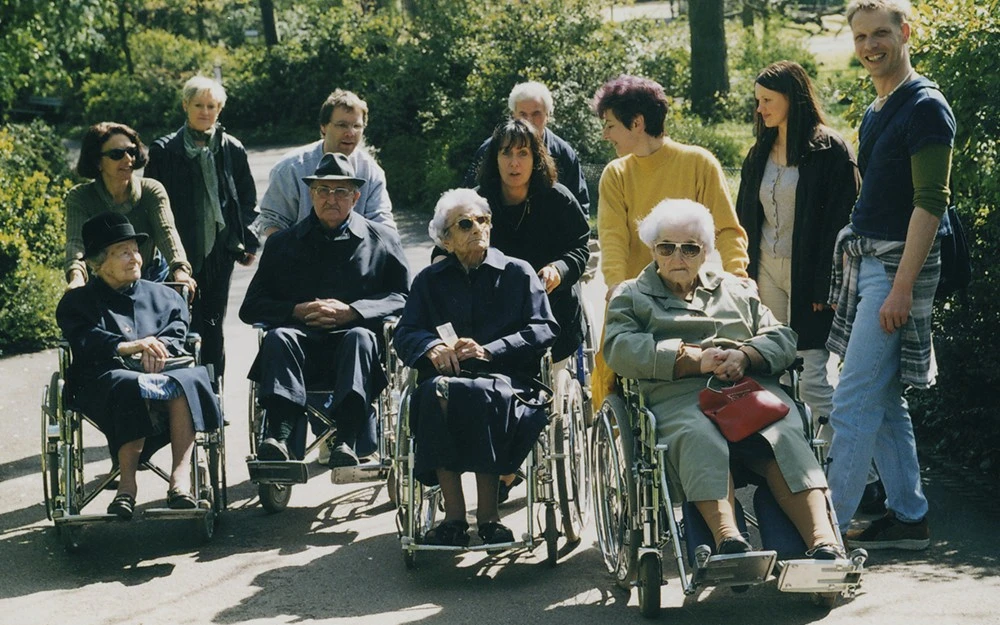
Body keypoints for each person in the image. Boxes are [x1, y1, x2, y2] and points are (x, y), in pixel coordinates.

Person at [603, 199, 842, 559]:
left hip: (750, 391)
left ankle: (824, 543)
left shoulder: (737, 290)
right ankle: (728, 539)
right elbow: (619, 348)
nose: (677, 257)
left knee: (785, 436)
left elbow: (781, 337)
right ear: (652, 249)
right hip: (678, 396)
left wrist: (746, 355)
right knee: (698, 435)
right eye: (666, 248)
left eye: (689, 248)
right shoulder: (631, 295)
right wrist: (690, 359)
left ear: (705, 251)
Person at [826, 0, 955, 550]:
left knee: (853, 400)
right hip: (870, 264)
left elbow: (931, 202)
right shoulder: (879, 106)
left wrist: (900, 288)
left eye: (880, 34)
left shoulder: (925, 107)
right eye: (861, 37)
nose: (870, 46)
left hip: (895, 269)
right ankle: (909, 517)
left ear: (905, 32)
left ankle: (824, 534)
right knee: (880, 400)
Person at [394, 189, 559, 546]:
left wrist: (489, 350)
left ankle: (489, 517)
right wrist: (432, 346)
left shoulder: (518, 272)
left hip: (509, 382)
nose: (477, 229)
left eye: (482, 220)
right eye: (465, 224)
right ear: (446, 240)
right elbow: (405, 332)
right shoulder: (429, 281)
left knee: (483, 392)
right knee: (437, 393)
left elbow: (543, 328)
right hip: (447, 380)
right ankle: (454, 519)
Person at [239, 152, 410, 467]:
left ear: (356, 197)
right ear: (311, 194)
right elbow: (251, 307)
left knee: (359, 337)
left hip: (358, 354)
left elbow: (404, 297)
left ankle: (346, 440)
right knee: (278, 337)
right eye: (323, 190)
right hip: (301, 350)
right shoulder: (282, 244)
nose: (331, 199)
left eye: (341, 191)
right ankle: (278, 438)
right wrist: (296, 310)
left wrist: (354, 311)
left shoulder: (382, 240)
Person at [590, 74, 750, 409]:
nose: (605, 134)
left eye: (610, 125)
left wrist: (738, 275)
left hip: (691, 297)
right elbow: (613, 239)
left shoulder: (699, 163)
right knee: (613, 371)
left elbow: (726, 229)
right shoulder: (616, 174)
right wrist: (617, 287)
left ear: (637, 123)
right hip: (638, 301)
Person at [56, 212, 221, 519]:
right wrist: (127, 347)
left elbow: (178, 330)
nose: (135, 258)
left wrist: (159, 347)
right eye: (123, 252)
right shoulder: (77, 302)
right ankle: (127, 486)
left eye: (135, 250)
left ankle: (180, 481)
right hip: (106, 380)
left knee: (188, 379)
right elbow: (83, 338)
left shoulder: (165, 296)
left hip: (165, 371)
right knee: (128, 383)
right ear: (97, 263)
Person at [735, 61, 860, 436]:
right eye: (757, 101)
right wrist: (741, 273)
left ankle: (847, 461)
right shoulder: (759, 151)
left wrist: (825, 284)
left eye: (768, 100)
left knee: (811, 378)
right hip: (765, 271)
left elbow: (842, 223)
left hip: (810, 279)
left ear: (792, 97)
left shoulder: (830, 150)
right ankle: (795, 455)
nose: (760, 109)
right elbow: (744, 217)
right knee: (773, 372)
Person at [145, 75, 259, 383]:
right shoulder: (164, 150)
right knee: (175, 322)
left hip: (218, 251)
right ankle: (179, 387)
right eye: (198, 105)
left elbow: (247, 200)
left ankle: (212, 390)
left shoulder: (231, 148)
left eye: (211, 106)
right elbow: (150, 203)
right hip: (176, 252)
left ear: (219, 110)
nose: (205, 112)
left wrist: (247, 241)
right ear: (186, 106)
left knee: (212, 324)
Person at [64, 122, 193, 292]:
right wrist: (77, 277)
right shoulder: (80, 196)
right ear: (97, 162)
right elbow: (75, 243)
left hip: (149, 277)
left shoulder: (151, 190)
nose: (128, 159)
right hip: (102, 279)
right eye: (116, 154)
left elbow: (167, 233)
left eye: (131, 152)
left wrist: (180, 270)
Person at [253, 89, 395, 237]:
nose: (350, 133)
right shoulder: (291, 168)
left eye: (357, 126)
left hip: (356, 250)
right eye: (342, 125)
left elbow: (382, 224)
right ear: (323, 126)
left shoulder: (371, 172)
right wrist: (289, 249)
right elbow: (271, 222)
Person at [464, 81, 591, 214]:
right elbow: (468, 201)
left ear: (548, 115)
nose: (529, 120)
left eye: (536, 114)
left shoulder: (564, 154)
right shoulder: (490, 149)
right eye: (523, 114)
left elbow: (580, 207)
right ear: (513, 115)